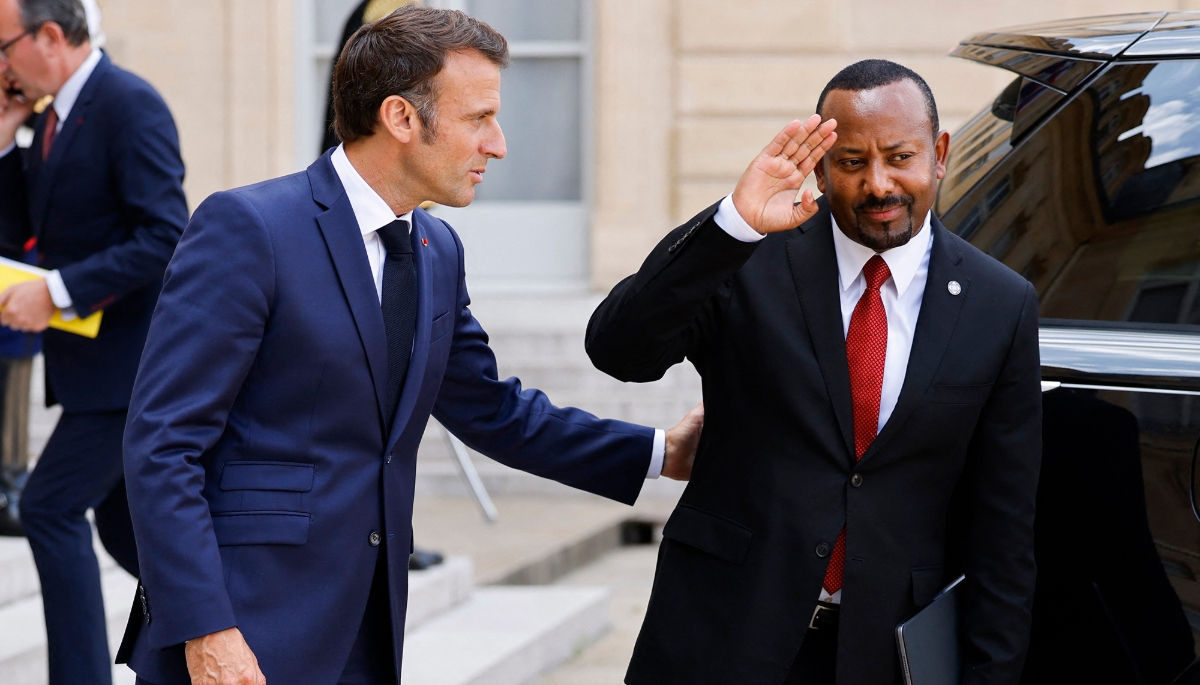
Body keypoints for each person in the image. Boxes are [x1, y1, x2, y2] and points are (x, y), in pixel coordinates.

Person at [117, 6, 703, 685]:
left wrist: (660, 452)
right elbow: (162, 443)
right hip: (242, 628)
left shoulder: (437, 250)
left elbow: (493, 410)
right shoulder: (249, 228)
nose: (500, 143)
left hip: (368, 627)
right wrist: (205, 626)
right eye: (478, 118)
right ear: (400, 118)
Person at [586, 59, 1042, 685]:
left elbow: (1004, 529)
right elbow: (619, 350)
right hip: (721, 636)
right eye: (852, 162)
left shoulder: (1001, 302)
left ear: (938, 154)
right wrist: (732, 226)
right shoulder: (747, 260)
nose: (879, 184)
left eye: (900, 157)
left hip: (887, 653)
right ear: (822, 168)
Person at [0, 0, 188, 683]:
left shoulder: (127, 103)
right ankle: (231, 630)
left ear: (50, 36)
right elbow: (26, 232)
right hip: (90, 369)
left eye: (4, 46)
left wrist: (54, 292)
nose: (1, 63)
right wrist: (3, 138)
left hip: (134, 369)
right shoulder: (48, 119)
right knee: (128, 532)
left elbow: (167, 235)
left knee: (47, 506)